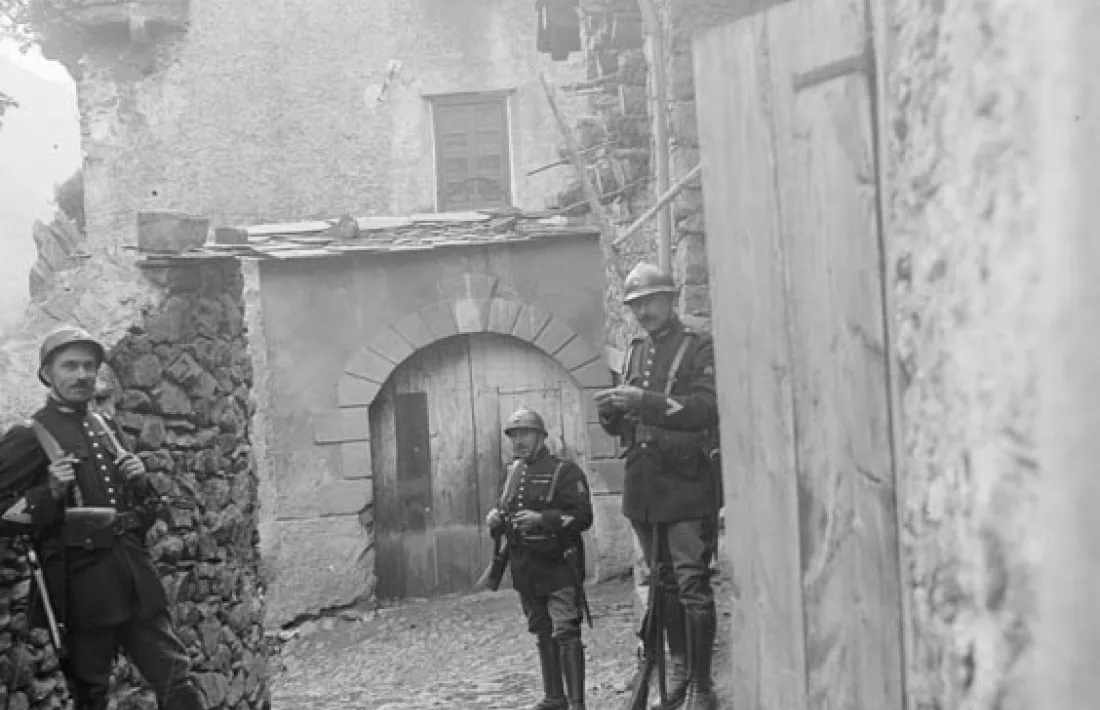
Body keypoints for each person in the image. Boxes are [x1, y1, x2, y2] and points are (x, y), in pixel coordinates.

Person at [0, 326, 205, 710]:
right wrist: (49, 494)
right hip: (82, 590)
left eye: (89, 367)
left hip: (135, 580)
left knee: (176, 677)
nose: (81, 375)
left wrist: (141, 484)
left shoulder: (105, 427)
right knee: (91, 694)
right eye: (70, 366)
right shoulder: (31, 435)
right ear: (47, 374)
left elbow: (144, 513)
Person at [594, 263, 721, 710]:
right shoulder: (634, 353)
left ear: (672, 299)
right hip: (645, 485)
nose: (643, 311)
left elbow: (706, 409)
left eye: (650, 301)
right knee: (662, 585)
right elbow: (627, 425)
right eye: (636, 305)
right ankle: (680, 667)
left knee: (691, 584)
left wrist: (646, 401)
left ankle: (702, 685)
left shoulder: (699, 346)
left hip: (686, 484)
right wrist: (611, 413)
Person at [485, 407, 594, 710]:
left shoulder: (565, 472)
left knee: (565, 631)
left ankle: (577, 704)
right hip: (526, 567)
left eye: (525, 434)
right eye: (514, 435)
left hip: (559, 565)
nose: (519, 441)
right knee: (541, 630)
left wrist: (542, 519)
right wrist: (496, 518)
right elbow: (506, 510)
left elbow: (582, 517)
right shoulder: (512, 473)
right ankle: (554, 697)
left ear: (541, 436)